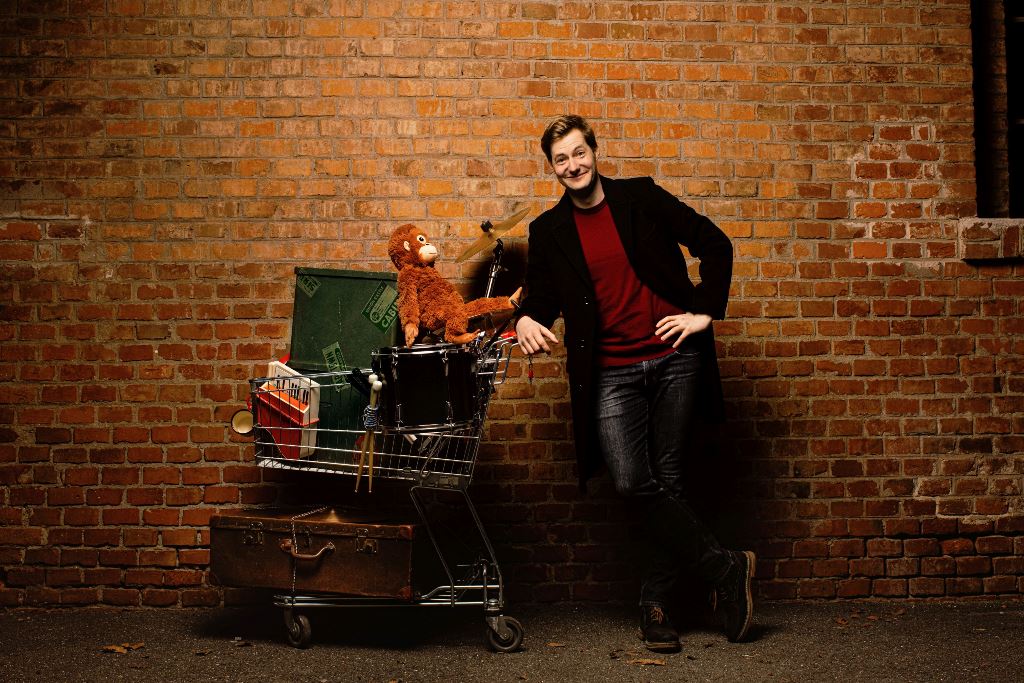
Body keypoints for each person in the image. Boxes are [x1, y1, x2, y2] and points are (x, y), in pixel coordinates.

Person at [514, 114, 755, 653]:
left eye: (579, 152)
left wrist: (704, 311)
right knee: (632, 482)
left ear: (594, 151)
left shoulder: (641, 197)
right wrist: (525, 318)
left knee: (668, 481)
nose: (573, 165)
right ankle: (725, 568)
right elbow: (541, 297)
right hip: (610, 372)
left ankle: (656, 605)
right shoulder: (549, 231)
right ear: (551, 168)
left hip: (674, 358)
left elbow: (714, 243)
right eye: (561, 159)